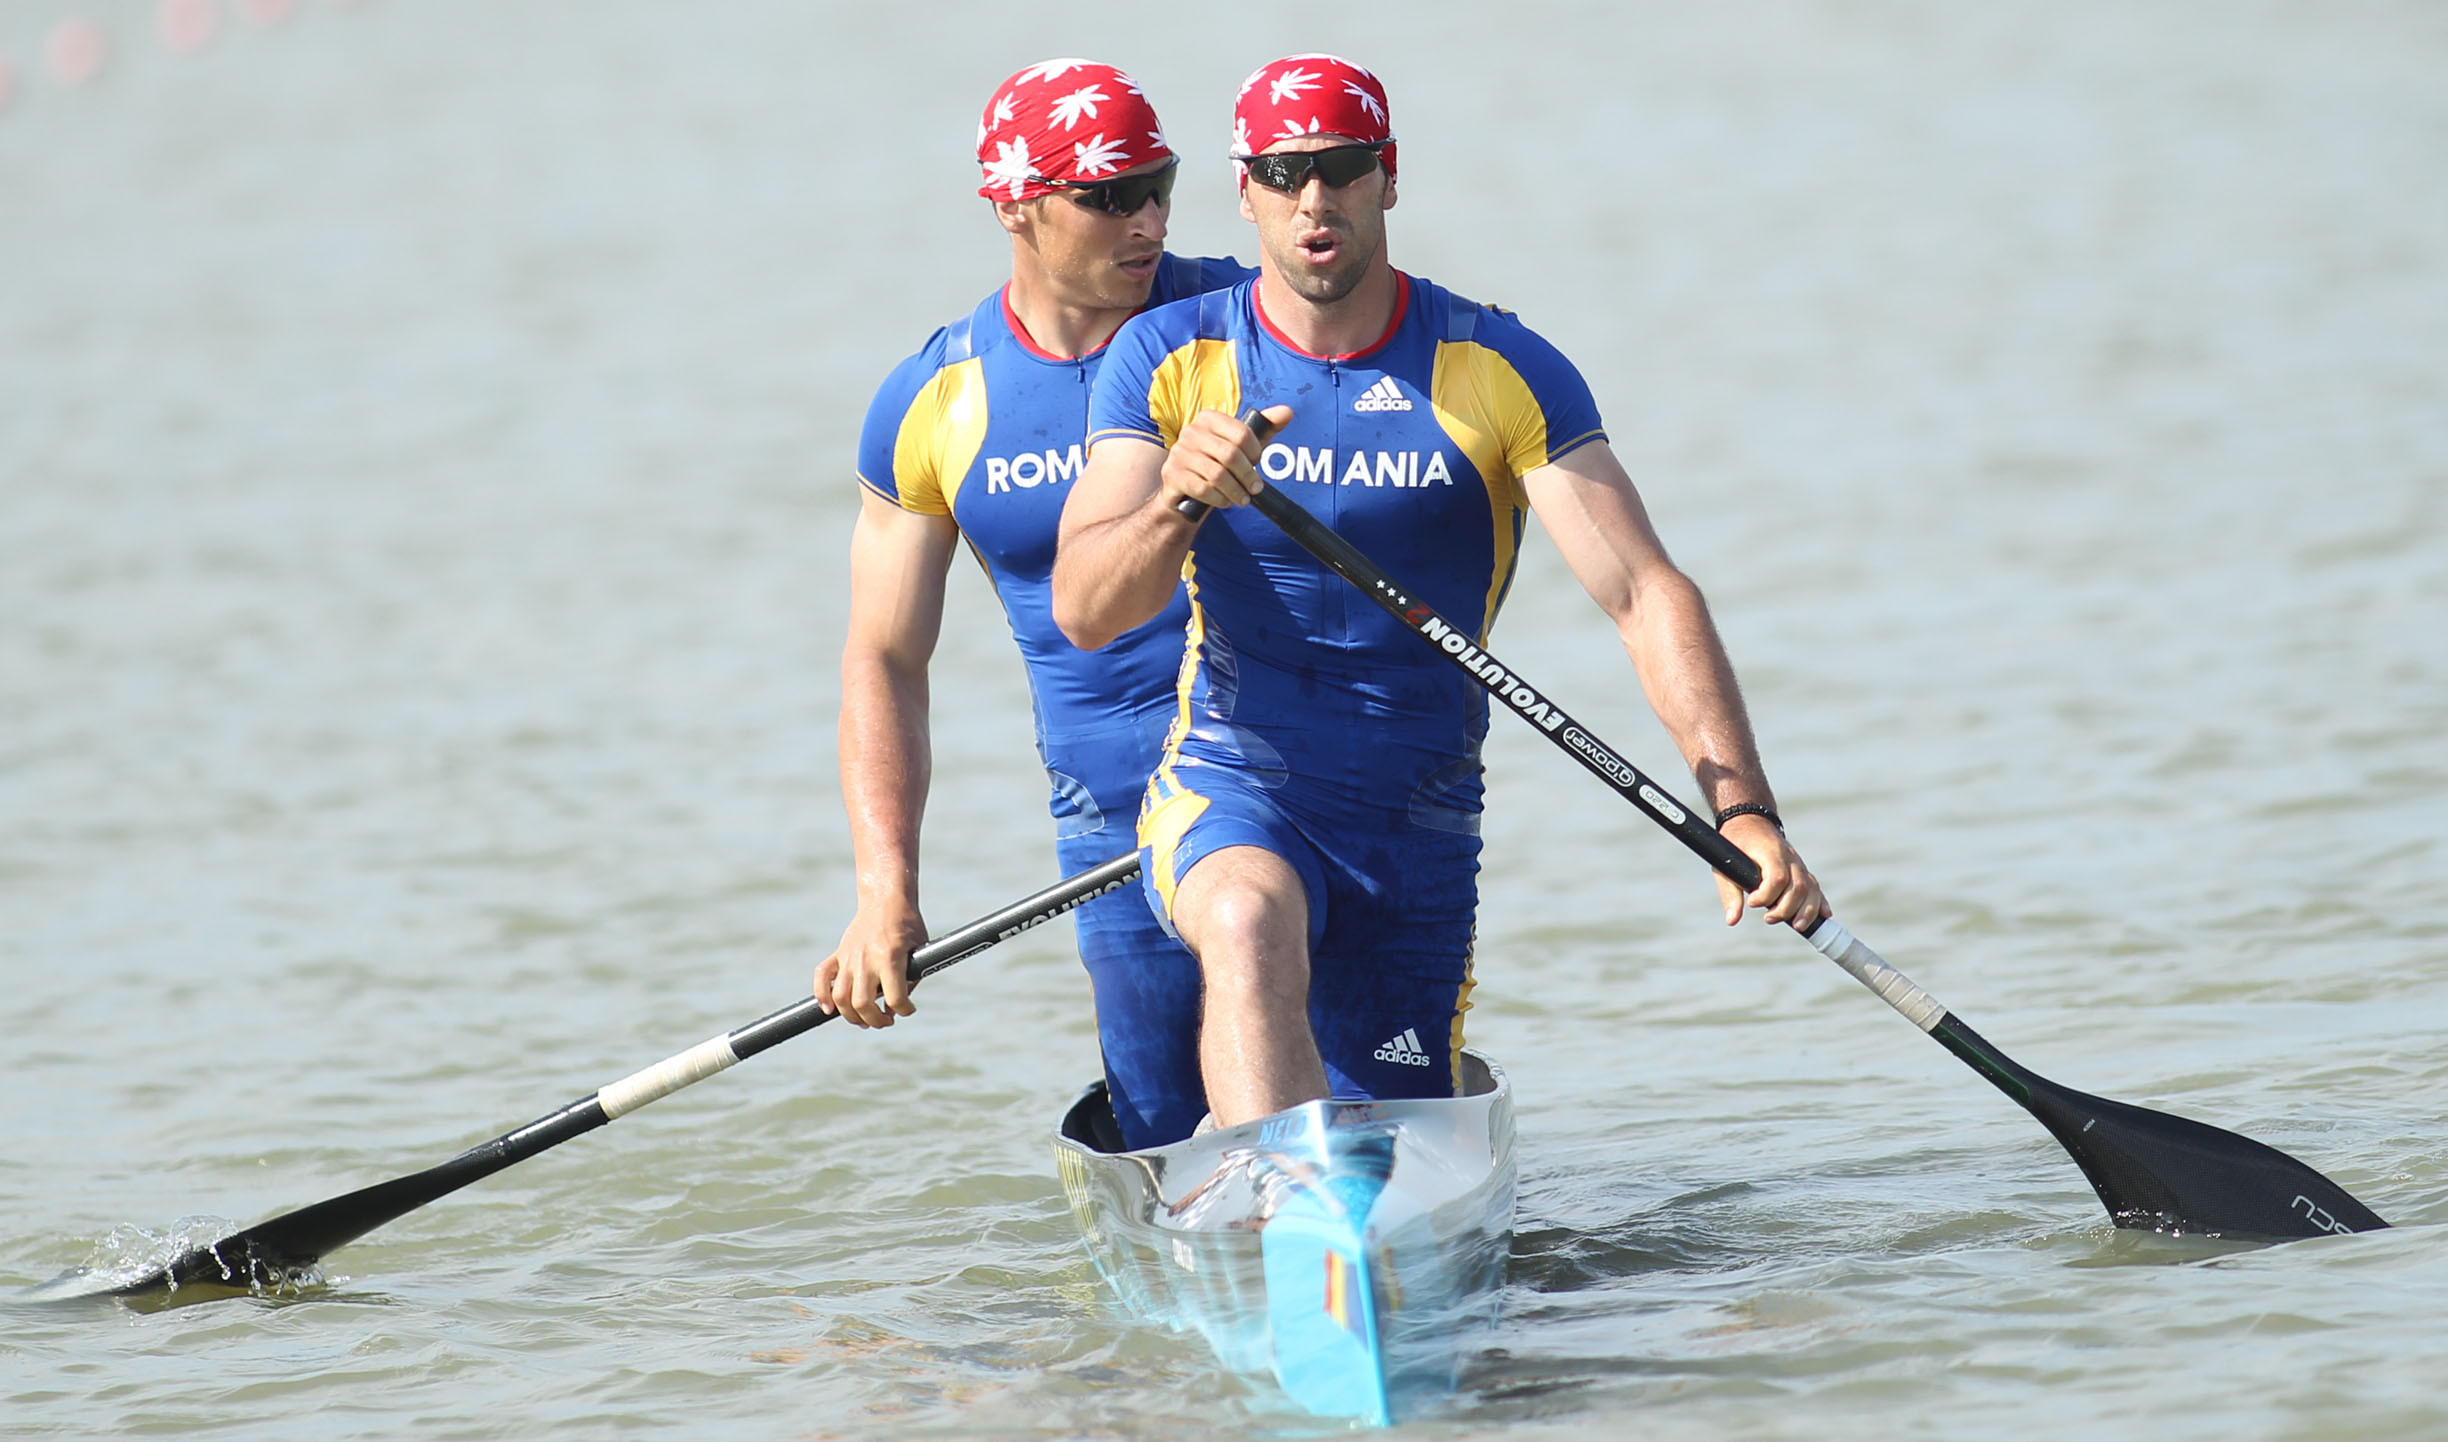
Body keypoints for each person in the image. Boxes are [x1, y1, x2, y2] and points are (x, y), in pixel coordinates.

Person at [1052, 54, 1829, 1130]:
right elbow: (1087, 607)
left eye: (1341, 167)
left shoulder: (1496, 366)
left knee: (1391, 1120)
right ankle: (1285, 1226)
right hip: (1233, 780)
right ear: (1245, 192)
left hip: (1415, 822)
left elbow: (1646, 593)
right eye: (1283, 175)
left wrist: (1743, 812)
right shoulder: (1169, 355)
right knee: (1241, 918)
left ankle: (1347, 1226)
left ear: (1389, 175)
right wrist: (1179, 498)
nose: (1314, 200)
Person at [814, 59, 1252, 1149]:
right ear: (1014, 203)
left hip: (1297, 792)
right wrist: (886, 894)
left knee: (1333, 1085)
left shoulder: (1253, 323)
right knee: (1169, 1130)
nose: (1147, 218)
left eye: (1161, 183)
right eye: (1109, 196)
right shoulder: (937, 399)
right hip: (1111, 831)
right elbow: (884, 657)